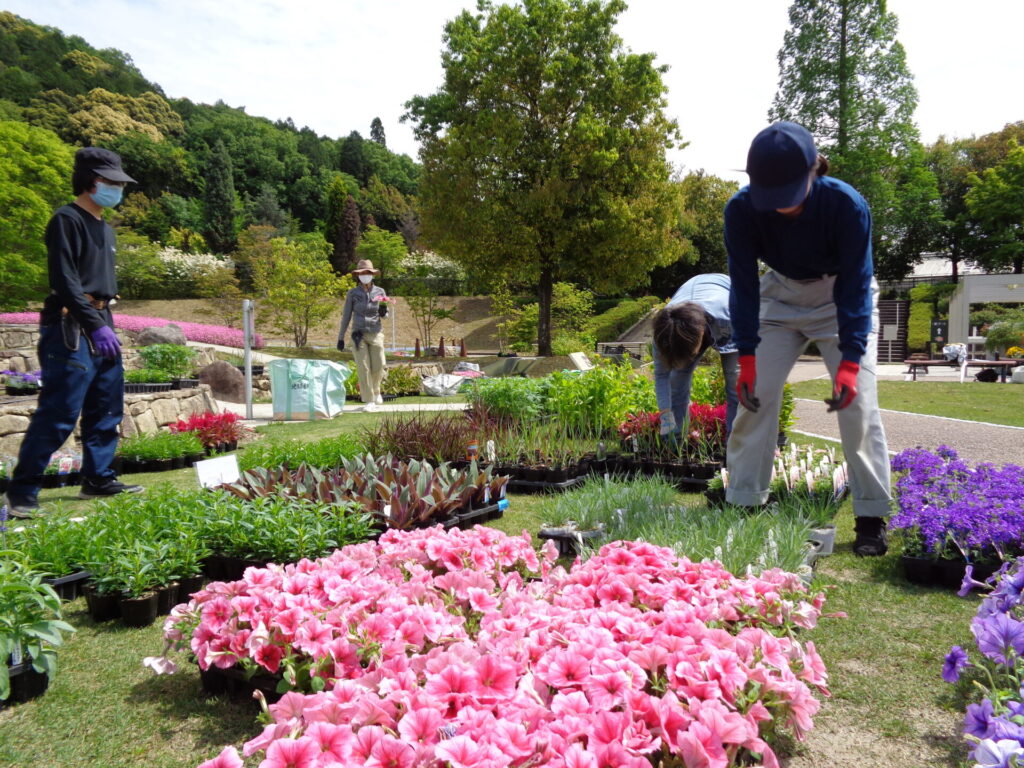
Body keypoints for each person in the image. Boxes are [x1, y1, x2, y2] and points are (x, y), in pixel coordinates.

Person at [723, 121, 891, 556]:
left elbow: (856, 284)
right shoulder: (740, 211)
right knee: (755, 397)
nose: (780, 207)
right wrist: (747, 357)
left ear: (814, 169)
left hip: (839, 298)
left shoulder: (846, 205)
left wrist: (851, 363)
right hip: (778, 296)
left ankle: (871, 516)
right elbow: (743, 285)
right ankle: (743, 501)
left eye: (789, 193)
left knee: (858, 405)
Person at [4, 147, 143, 518]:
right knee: (60, 410)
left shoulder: (105, 228)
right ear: (90, 181)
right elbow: (64, 282)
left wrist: (103, 323)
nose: (118, 190)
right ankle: (22, 492)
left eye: (120, 183)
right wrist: (94, 325)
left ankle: (97, 478)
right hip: (70, 325)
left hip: (102, 321)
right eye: (111, 182)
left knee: (106, 406)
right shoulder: (67, 220)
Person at [651, 274, 738, 440]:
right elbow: (662, 375)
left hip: (726, 303)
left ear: (700, 333)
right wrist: (666, 417)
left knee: (735, 383)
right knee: (677, 379)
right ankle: (675, 440)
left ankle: (736, 443)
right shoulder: (664, 332)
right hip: (694, 300)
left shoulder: (729, 316)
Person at [336, 259, 388, 412]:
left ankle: (376, 391)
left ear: (372, 275)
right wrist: (340, 338)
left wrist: (384, 313)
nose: (365, 276)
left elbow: (385, 314)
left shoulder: (380, 292)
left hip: (376, 333)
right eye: (362, 273)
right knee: (363, 367)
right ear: (358, 276)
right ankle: (369, 400)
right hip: (358, 334)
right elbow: (346, 316)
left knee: (379, 365)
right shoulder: (353, 293)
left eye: (368, 273)